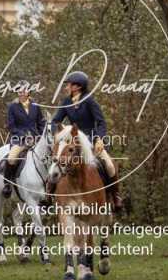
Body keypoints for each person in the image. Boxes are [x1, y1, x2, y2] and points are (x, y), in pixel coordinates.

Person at [46, 71, 123, 212]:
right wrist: (57, 132)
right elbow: (56, 120)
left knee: (110, 165)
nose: (66, 87)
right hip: (72, 142)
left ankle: (115, 195)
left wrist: (99, 139)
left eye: (68, 84)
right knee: (56, 162)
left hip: (91, 140)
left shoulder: (89, 101)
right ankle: (49, 194)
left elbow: (101, 122)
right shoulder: (66, 102)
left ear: (78, 87)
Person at [0, 81, 46, 198]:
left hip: (35, 138)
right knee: (11, 158)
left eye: (23, 90)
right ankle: (7, 184)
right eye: (19, 91)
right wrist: (24, 136)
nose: (21, 93)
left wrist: (41, 136)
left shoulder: (35, 106)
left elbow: (40, 123)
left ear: (28, 92)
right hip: (19, 139)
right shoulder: (12, 107)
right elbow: (11, 126)